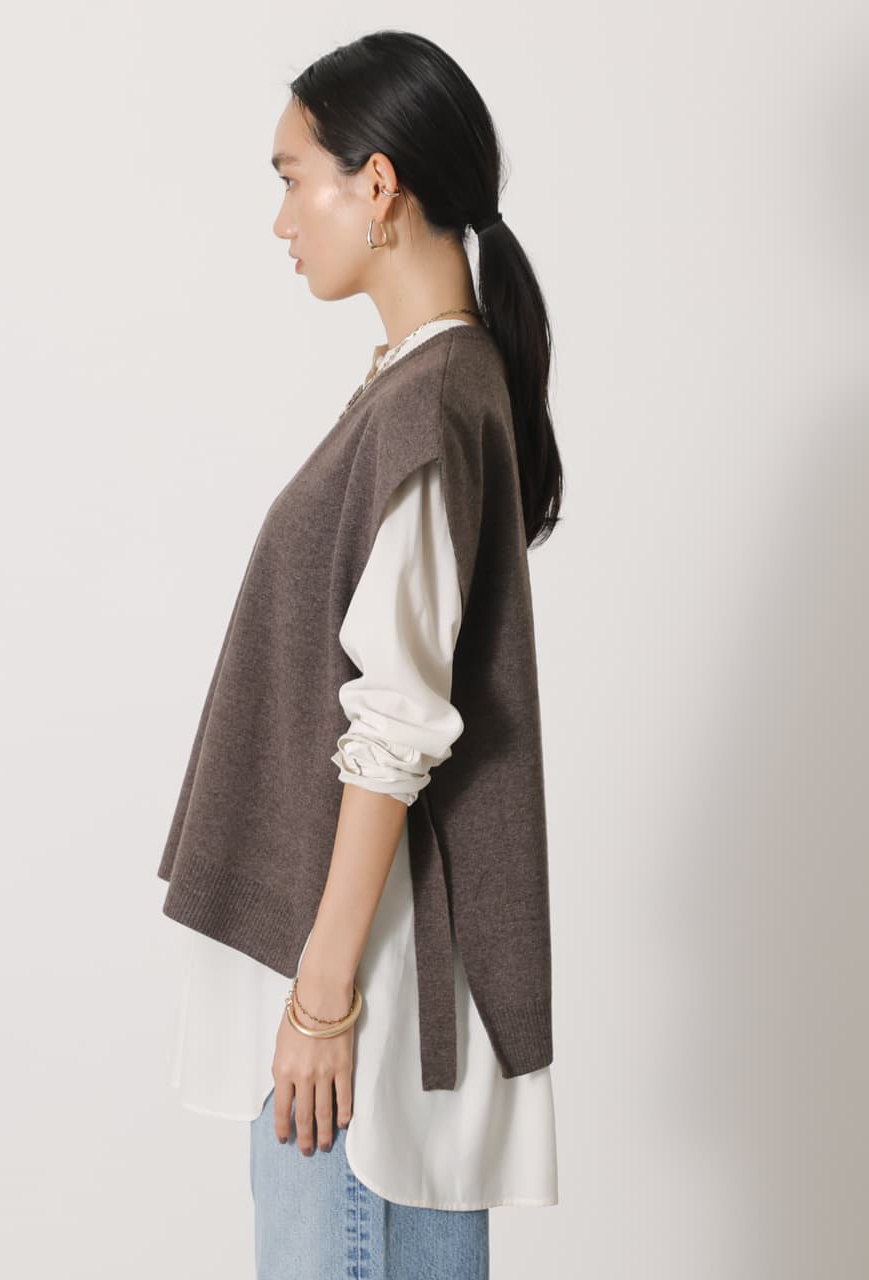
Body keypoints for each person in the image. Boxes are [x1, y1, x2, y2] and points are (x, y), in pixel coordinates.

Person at [156, 29, 564, 1280]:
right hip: (360, 1004)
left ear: (375, 184)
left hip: (360, 1018)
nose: (281, 219)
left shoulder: (428, 400)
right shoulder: (423, 385)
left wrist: (321, 998)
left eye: (293, 178)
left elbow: (395, 723)